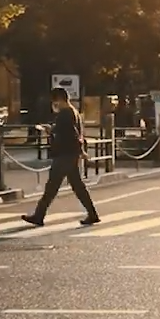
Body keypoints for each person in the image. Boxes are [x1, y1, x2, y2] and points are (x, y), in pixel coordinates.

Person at [22, 87, 101, 228]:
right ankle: (92, 214)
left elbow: (72, 134)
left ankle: (39, 216)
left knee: (52, 186)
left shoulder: (65, 114)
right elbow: (76, 134)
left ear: (58, 99)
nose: (54, 103)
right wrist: (80, 150)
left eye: (54, 100)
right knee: (78, 186)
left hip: (64, 154)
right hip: (71, 154)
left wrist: (50, 130)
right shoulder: (74, 112)